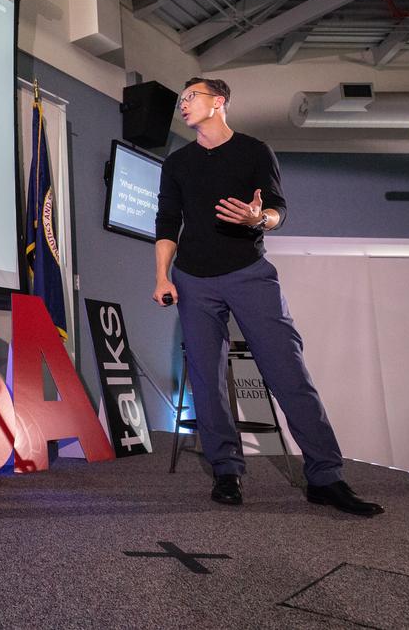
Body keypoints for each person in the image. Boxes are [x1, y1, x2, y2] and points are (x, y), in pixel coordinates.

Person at [153, 77, 383, 517]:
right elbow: (167, 222)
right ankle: (226, 471)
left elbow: (278, 207)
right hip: (193, 281)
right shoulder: (177, 162)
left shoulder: (255, 151)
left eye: (191, 98)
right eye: (181, 100)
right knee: (206, 378)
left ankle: (326, 477)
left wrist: (262, 218)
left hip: (249, 274)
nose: (183, 105)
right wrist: (162, 277)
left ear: (218, 101)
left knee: (287, 371)